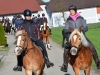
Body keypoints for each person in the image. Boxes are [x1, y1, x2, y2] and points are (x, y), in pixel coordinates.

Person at [61, 5, 100, 72]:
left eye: (72, 11)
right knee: (66, 49)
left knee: (91, 46)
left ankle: (97, 62)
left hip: (81, 35)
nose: (71, 12)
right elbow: (65, 29)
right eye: (70, 11)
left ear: (75, 11)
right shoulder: (68, 20)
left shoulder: (81, 18)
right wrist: (72, 31)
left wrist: (80, 31)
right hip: (72, 36)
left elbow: (86, 27)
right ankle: (65, 65)